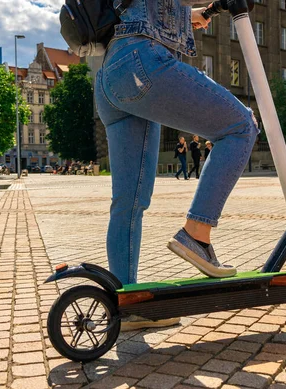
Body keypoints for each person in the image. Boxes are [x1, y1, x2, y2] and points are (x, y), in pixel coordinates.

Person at [94, 0, 259, 329]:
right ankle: (197, 233)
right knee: (242, 126)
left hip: (110, 75)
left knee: (128, 201)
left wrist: (195, 14)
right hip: (143, 60)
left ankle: (129, 304)